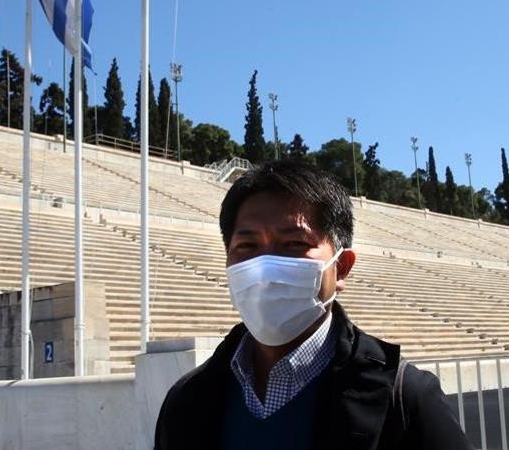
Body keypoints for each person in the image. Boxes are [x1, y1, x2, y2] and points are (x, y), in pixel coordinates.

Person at [154, 160, 472, 449]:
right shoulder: (187, 399)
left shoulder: (403, 397)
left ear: (342, 266)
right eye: (247, 245)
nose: (266, 267)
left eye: (295, 244)